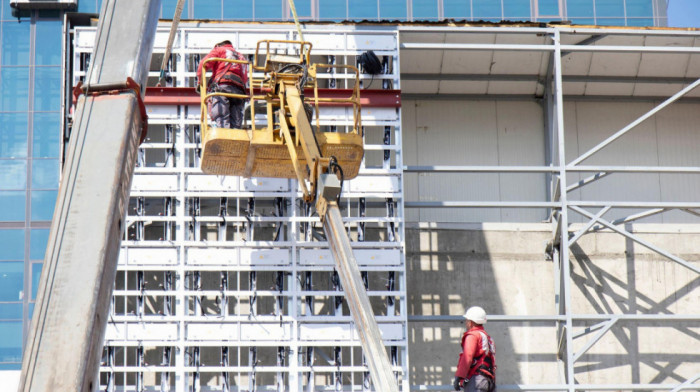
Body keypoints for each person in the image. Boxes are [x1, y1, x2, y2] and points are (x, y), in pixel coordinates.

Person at [196, 40, 248, 129]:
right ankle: (235, 139)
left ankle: (223, 139)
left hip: (223, 86)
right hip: (239, 90)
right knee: (236, 123)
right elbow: (245, 77)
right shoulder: (241, 56)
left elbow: (203, 64)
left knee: (222, 120)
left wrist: (200, 82)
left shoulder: (219, 50)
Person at [454, 306, 496, 392]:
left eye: (466, 320)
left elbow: (467, 357)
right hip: (488, 380)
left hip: (476, 380)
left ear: (470, 322)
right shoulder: (487, 337)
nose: (466, 323)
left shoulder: (473, 336)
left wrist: (459, 376)